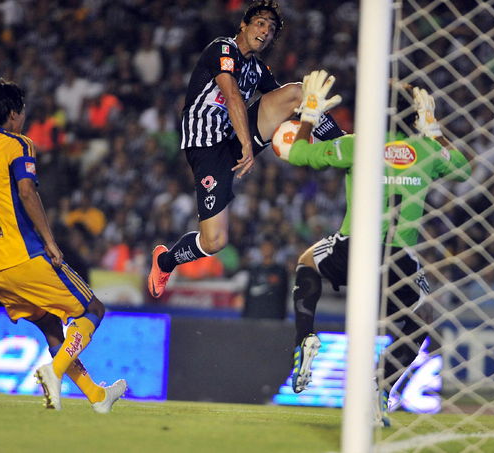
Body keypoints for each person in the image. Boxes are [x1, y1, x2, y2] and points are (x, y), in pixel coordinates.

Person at [282, 71, 472, 426]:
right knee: (421, 320)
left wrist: (309, 116)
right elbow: (463, 169)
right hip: (400, 257)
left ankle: (305, 338)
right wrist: (433, 129)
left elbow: (298, 153)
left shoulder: (357, 145)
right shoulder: (428, 151)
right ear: (411, 117)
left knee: (307, 262)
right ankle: (380, 385)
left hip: (355, 248)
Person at [0, 78, 126, 413]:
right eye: (22, 110)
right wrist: (50, 241)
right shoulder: (18, 144)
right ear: (13, 113)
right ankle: (54, 371)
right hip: (24, 256)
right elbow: (27, 192)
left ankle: (97, 397)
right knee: (92, 310)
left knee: (51, 326)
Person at [147, 0, 345, 298]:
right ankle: (165, 261)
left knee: (298, 93)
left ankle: (343, 142)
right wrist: (246, 146)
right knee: (214, 242)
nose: (265, 32)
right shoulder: (222, 49)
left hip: (235, 137)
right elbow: (232, 97)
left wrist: (310, 118)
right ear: (244, 24)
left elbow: (285, 102)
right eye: (260, 24)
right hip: (207, 145)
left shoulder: (257, 68)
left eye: (271, 29)